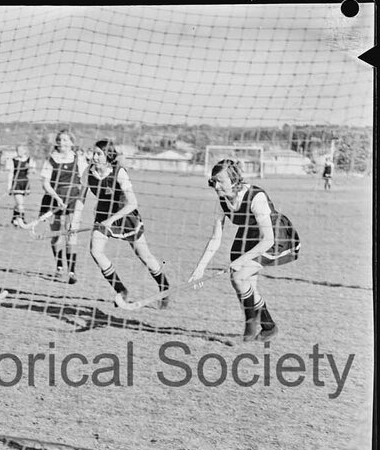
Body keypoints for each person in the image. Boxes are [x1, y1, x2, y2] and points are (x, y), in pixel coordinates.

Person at [188, 159, 299, 342]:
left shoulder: (256, 196)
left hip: (272, 236)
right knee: (244, 285)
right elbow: (216, 238)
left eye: (220, 181)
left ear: (234, 180)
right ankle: (268, 327)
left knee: (238, 276)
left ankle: (249, 330)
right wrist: (200, 269)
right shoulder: (222, 201)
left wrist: (239, 261)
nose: (216, 186)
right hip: (247, 235)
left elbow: (268, 239)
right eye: (213, 181)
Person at [73, 139, 171, 307]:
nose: (94, 157)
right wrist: (75, 220)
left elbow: (132, 203)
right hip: (103, 215)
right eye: (93, 153)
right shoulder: (88, 172)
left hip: (126, 217)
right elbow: (81, 197)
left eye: (98, 154)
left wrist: (111, 221)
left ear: (108, 156)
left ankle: (165, 287)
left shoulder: (119, 172)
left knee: (144, 256)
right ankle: (121, 290)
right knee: (96, 252)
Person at [26, 129, 88, 282]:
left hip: (73, 200)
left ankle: (72, 272)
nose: (62, 143)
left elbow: (85, 181)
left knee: (71, 233)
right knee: (56, 235)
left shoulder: (78, 159)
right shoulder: (50, 159)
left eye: (66, 140)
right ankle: (59, 265)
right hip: (54, 200)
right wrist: (56, 197)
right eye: (60, 140)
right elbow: (45, 183)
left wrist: (80, 198)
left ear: (72, 142)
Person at [6, 144, 32, 227]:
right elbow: (10, 173)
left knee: (19, 203)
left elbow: (31, 172)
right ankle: (22, 221)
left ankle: (14, 219)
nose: (19, 152)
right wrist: (9, 186)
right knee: (20, 203)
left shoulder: (29, 160)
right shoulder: (13, 161)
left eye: (21, 150)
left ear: (24, 151)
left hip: (24, 183)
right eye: (17, 150)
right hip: (16, 183)